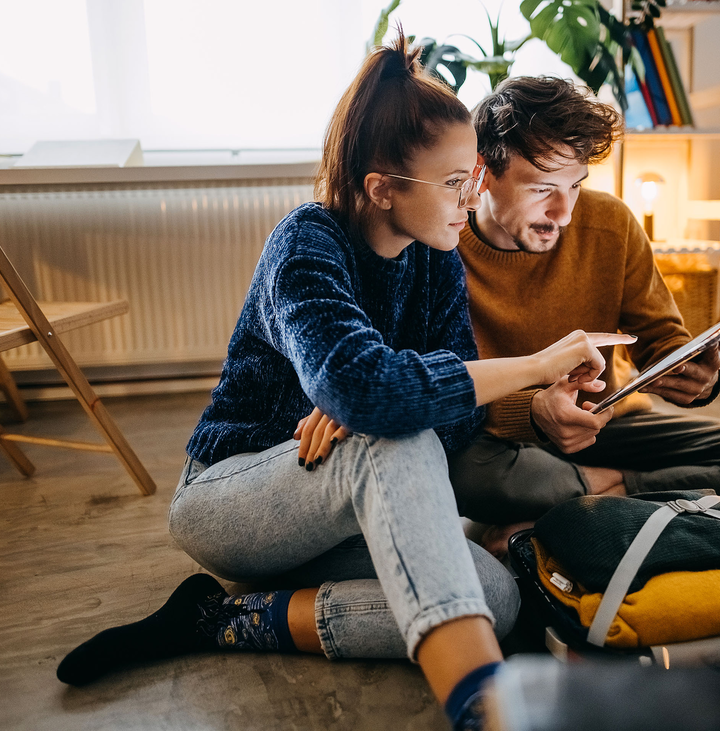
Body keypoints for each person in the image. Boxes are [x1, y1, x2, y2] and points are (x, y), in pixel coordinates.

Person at [55, 38, 633, 730]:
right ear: (381, 187)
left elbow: (450, 426)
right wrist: (532, 367)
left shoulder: (435, 261)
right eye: (452, 182)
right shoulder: (305, 243)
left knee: (496, 595)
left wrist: (373, 400)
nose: (468, 198)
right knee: (388, 435)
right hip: (229, 496)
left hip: (336, 504)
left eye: (471, 177)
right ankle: (486, 708)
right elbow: (370, 392)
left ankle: (227, 619)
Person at [448, 76, 720, 553]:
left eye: (575, 186)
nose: (563, 213)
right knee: (457, 471)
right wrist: (533, 411)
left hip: (606, 424)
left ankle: (604, 493)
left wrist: (695, 373)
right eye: (543, 188)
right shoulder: (442, 245)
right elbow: (441, 390)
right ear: (483, 173)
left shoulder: (610, 224)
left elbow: (661, 337)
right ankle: (627, 502)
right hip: (498, 440)